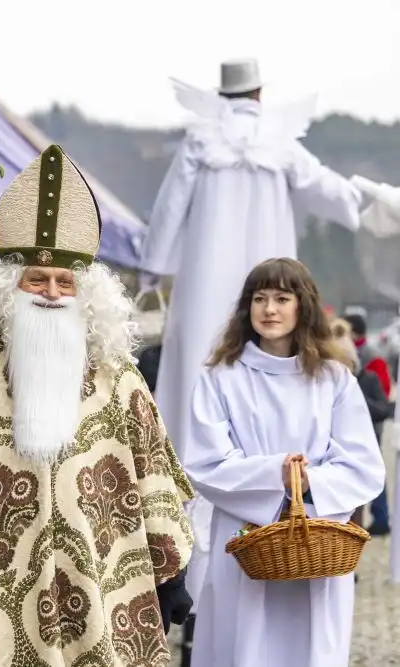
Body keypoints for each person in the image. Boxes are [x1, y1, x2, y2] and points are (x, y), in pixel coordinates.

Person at [0, 145, 195, 666]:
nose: (49, 292)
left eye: (63, 281)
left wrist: (169, 572)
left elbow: (153, 475)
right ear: (7, 289)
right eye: (36, 280)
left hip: (102, 589)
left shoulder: (120, 380)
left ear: (85, 294)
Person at [140, 58, 367, 610]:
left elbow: (170, 209)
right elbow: (332, 195)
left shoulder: (201, 139)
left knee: (200, 385)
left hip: (208, 283)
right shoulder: (280, 141)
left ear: (222, 92)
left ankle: (180, 557)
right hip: (274, 273)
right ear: (261, 93)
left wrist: (154, 268)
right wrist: (364, 203)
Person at [184, 258, 385, 667]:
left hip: (314, 542)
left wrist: (308, 482)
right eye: (259, 298)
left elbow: (363, 464)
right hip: (245, 544)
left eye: (281, 298)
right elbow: (204, 462)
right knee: (243, 645)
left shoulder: (333, 379)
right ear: (247, 307)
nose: (269, 309)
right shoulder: (220, 377)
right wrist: (274, 474)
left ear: (302, 306)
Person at [332, 317, 393, 535]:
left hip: (371, 433)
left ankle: (380, 520)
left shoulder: (372, 362)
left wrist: (358, 402)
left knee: (374, 479)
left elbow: (384, 402)